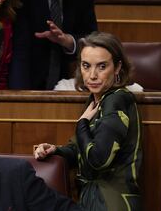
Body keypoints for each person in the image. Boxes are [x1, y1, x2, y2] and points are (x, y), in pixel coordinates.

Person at [34, 31, 142, 210]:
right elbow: (80, 148)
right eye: (86, 66)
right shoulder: (96, 99)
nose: (92, 75)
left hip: (112, 202)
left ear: (117, 67)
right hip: (95, 198)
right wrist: (56, 151)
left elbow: (98, 159)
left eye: (101, 66)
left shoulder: (117, 99)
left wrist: (81, 124)